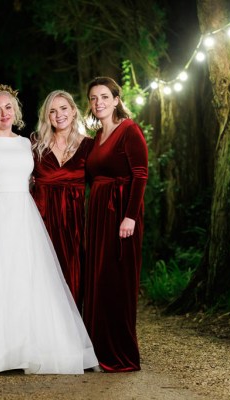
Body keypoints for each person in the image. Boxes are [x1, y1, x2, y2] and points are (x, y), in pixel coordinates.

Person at [0, 83, 98, 377]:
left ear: (16, 111)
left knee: (25, 278)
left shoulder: (25, 143)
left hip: (23, 215)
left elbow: (32, 179)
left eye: (8, 108)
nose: (3, 113)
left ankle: (27, 348)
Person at [83, 77, 148, 373]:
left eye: (105, 97)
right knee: (99, 280)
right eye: (94, 98)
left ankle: (122, 354)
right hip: (98, 215)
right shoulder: (97, 136)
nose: (99, 103)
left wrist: (130, 216)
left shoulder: (129, 130)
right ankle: (99, 349)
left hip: (121, 214)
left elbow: (140, 174)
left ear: (117, 99)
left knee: (117, 281)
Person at [30, 90, 93, 309]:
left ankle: (73, 335)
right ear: (46, 116)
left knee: (73, 274)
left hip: (74, 223)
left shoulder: (89, 146)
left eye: (64, 108)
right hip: (41, 221)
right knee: (40, 276)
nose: (59, 115)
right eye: (52, 111)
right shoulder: (34, 144)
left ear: (74, 111)